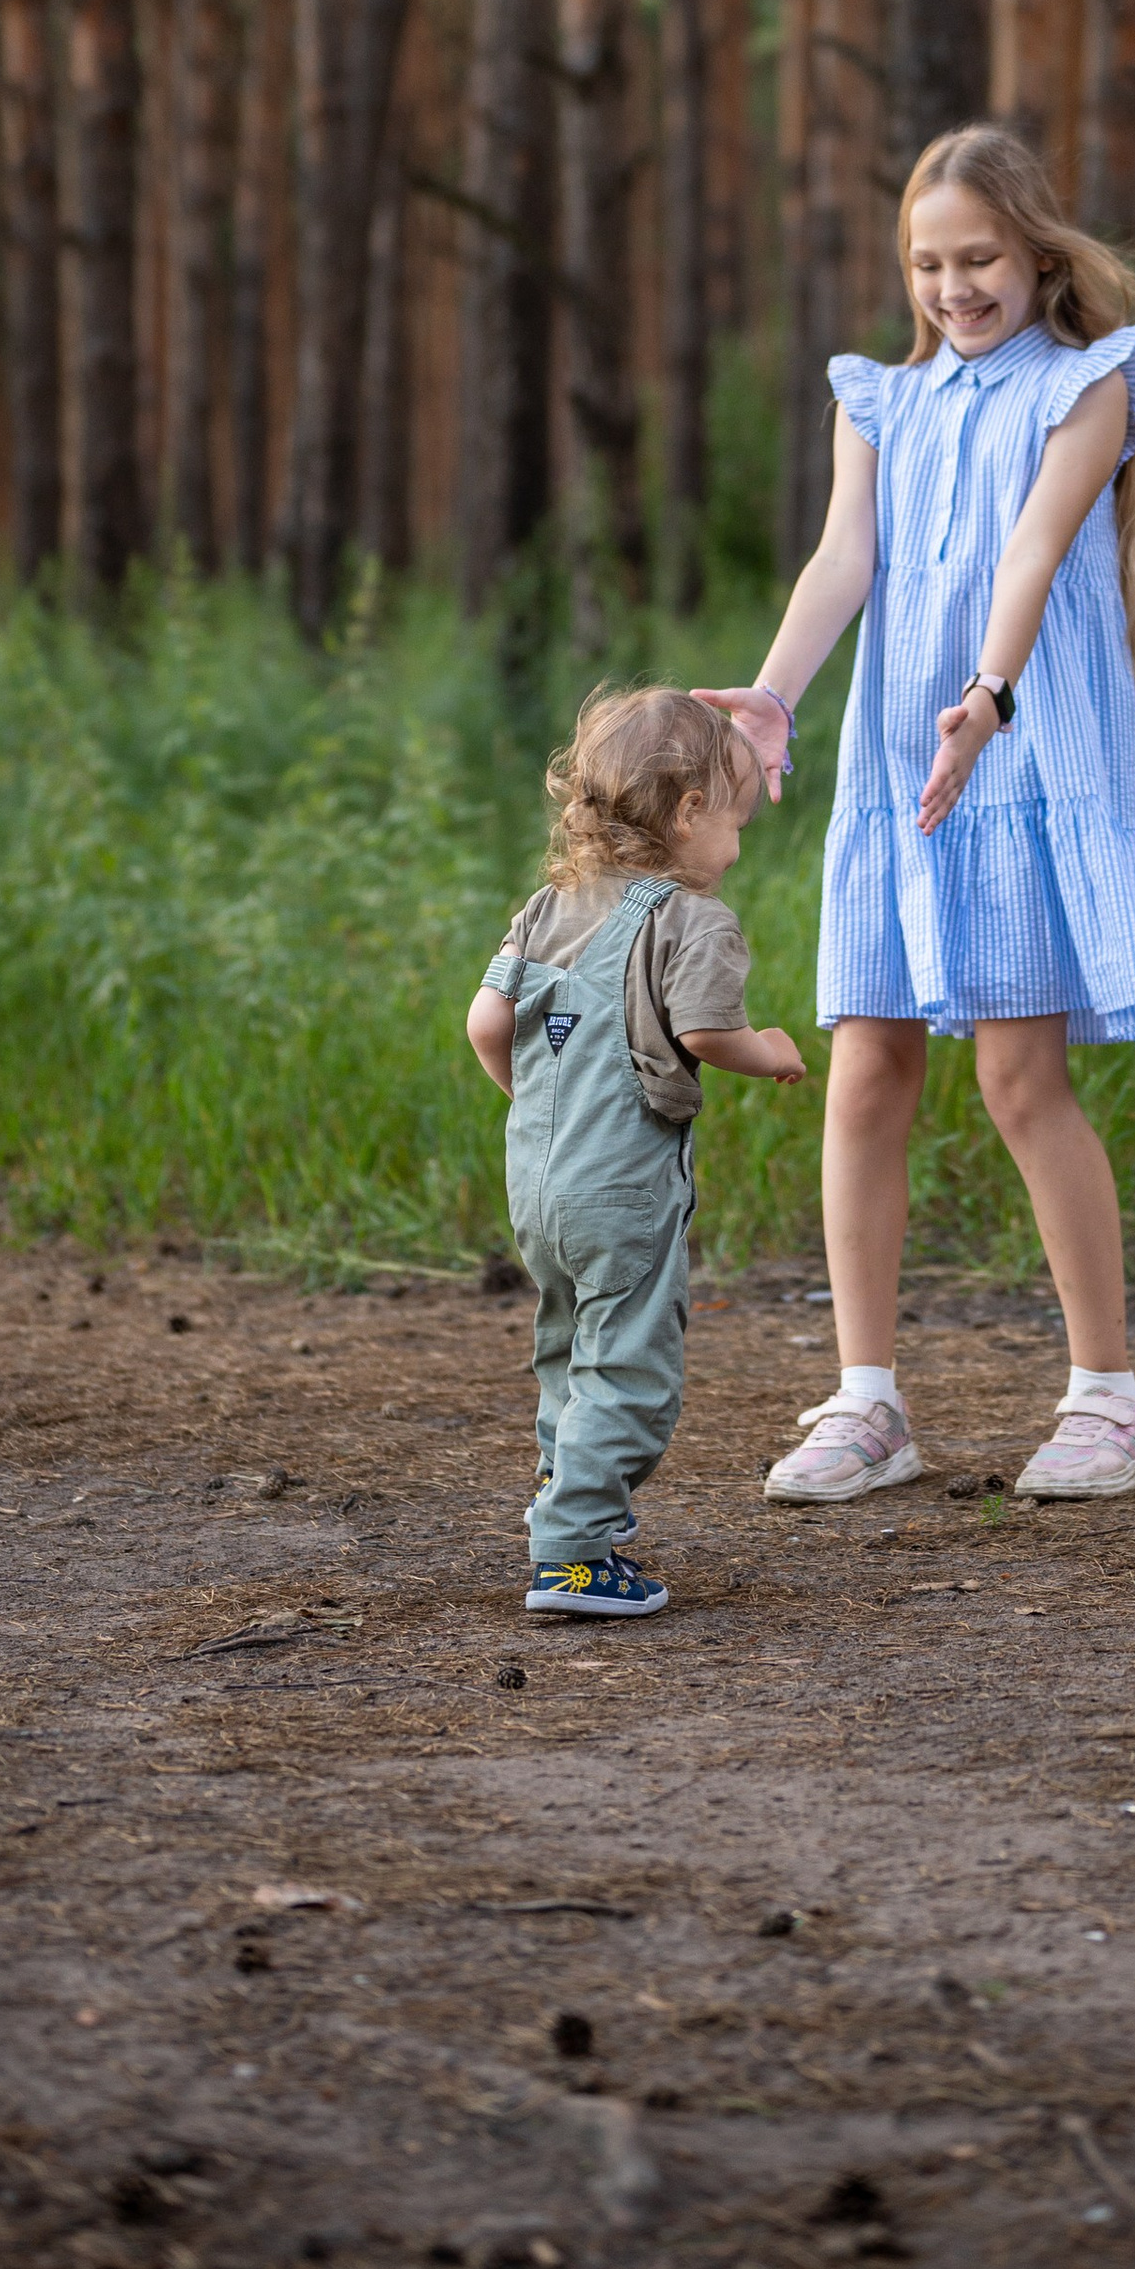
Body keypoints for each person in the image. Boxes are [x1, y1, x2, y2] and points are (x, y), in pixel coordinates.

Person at [699, 123, 1135, 1508]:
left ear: (1040, 255)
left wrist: (988, 694)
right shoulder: (880, 399)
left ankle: (1112, 1398)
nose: (953, 287)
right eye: (928, 263)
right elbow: (842, 558)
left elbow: (1036, 546)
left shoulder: (1092, 381)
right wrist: (773, 698)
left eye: (978, 258)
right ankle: (869, 1404)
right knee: (866, 1073)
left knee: (1019, 1078)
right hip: (902, 775)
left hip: (1015, 756)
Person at [467, 685, 805, 1618]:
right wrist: (770, 1050)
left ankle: (571, 1495)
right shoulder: (693, 922)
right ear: (690, 813)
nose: (737, 846)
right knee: (634, 1367)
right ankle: (572, 1556)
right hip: (622, 1188)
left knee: (568, 1344)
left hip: (537, 1180)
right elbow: (704, 1031)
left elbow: (484, 1020)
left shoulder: (545, 910)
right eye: (735, 822)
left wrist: (535, 1099)